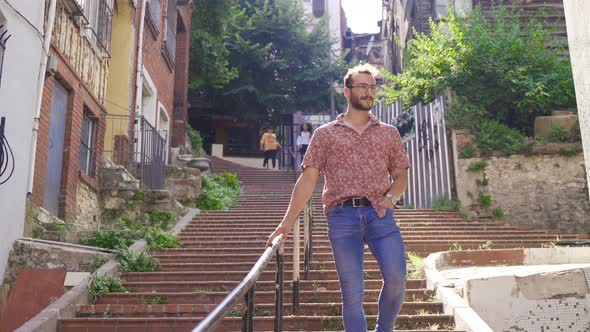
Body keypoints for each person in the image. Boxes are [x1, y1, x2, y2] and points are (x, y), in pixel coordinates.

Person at [266, 63, 409, 332]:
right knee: (352, 295)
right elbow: (307, 180)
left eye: (372, 87)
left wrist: (391, 199)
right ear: (347, 91)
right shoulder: (325, 134)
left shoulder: (388, 133)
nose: (369, 92)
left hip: (379, 212)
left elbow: (400, 175)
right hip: (342, 216)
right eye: (362, 87)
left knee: (397, 277)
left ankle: (384, 329)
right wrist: (286, 224)